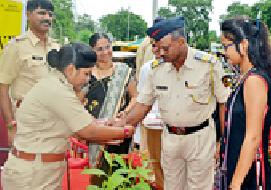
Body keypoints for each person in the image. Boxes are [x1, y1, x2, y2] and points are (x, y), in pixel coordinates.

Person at [113, 16, 229, 190]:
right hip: (170, 139)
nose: (159, 53)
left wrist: (224, 141)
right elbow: (142, 105)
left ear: (181, 42)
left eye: (165, 48)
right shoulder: (155, 69)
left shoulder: (209, 65)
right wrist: (119, 126)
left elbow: (223, 103)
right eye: (157, 48)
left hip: (200, 139)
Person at [0, 43, 135, 190]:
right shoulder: (57, 90)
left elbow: (83, 123)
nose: (88, 79)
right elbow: (88, 131)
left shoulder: (57, 84)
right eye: (86, 73)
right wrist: (126, 131)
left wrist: (106, 124)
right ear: (71, 69)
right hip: (32, 176)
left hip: (40, 170)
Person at [220, 17, 271, 189]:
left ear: (243, 45)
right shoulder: (245, 78)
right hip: (238, 165)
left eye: (226, 46)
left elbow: (253, 137)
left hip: (249, 173)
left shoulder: (254, 81)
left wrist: (235, 184)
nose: (224, 52)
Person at [0, 0, 59, 146]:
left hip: (53, 120)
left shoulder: (56, 47)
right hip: (26, 122)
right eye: (41, 13)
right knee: (26, 165)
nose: (47, 18)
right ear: (28, 15)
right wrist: (10, 125)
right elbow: (3, 88)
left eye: (50, 14)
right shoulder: (16, 47)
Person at [85, 33, 137, 163]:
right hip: (95, 131)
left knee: (119, 171)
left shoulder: (123, 71)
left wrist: (125, 112)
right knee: (98, 173)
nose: (105, 52)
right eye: (100, 49)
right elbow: (77, 102)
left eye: (108, 47)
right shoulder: (86, 73)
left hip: (118, 129)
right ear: (92, 51)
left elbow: (136, 96)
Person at [138, 36, 165, 189]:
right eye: (153, 45)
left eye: (158, 45)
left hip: (174, 129)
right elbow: (142, 100)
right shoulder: (147, 68)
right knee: (154, 169)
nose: (155, 49)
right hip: (152, 126)